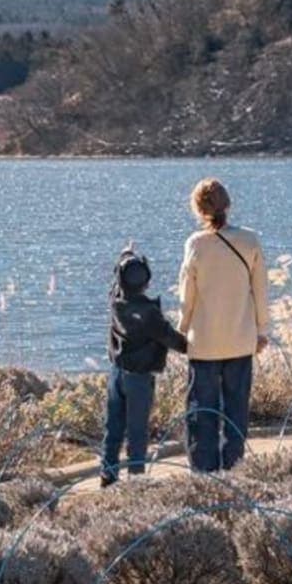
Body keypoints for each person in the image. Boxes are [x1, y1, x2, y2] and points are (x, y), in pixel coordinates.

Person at [179, 177, 269, 472]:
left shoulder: (195, 244)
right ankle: (235, 471)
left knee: (201, 413)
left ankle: (204, 478)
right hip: (240, 340)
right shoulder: (250, 240)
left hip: (203, 343)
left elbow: (186, 297)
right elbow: (260, 291)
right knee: (236, 413)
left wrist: (181, 331)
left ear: (198, 209)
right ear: (228, 205)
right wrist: (262, 331)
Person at [102, 245, 187, 486]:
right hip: (139, 378)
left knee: (113, 428)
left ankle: (108, 475)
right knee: (137, 432)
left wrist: (125, 254)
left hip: (116, 373)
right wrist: (198, 347)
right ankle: (136, 480)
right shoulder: (150, 314)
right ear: (146, 281)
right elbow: (174, 340)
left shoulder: (116, 302)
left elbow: (116, 280)